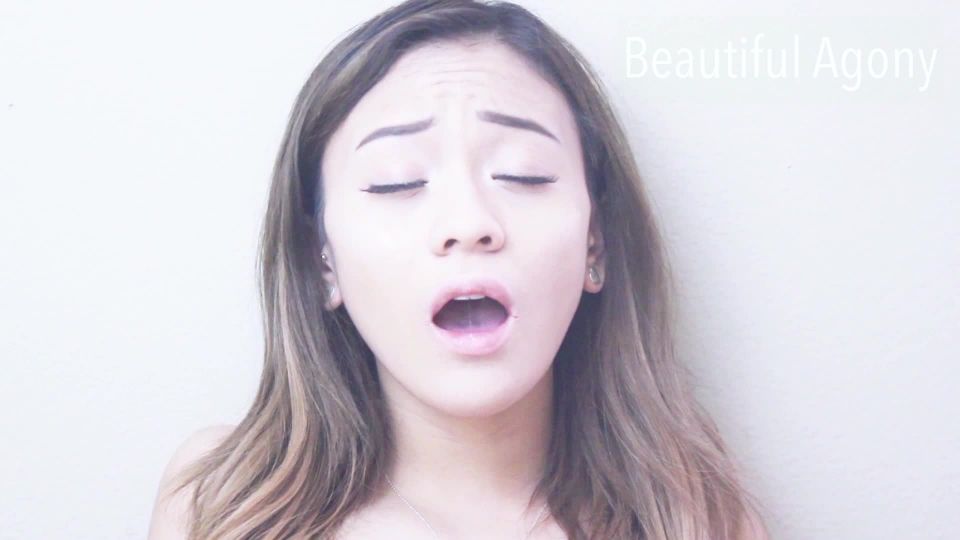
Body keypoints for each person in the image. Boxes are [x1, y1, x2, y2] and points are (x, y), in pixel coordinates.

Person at [148, 1, 770, 538]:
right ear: (322, 262)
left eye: (524, 174)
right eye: (396, 182)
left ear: (596, 244)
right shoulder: (222, 502)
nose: (468, 222)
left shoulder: (694, 517)